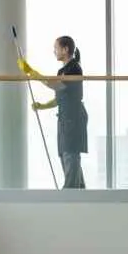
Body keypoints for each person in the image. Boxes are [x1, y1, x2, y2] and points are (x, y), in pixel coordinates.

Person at [18, 35, 89, 189]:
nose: (54, 51)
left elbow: (57, 86)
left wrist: (32, 73)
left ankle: (70, 192)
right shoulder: (62, 70)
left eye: (56, 48)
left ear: (65, 49)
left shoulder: (74, 68)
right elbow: (59, 98)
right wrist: (42, 106)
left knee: (71, 156)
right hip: (64, 118)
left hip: (74, 118)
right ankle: (79, 191)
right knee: (65, 156)